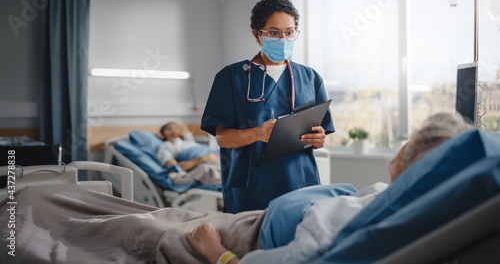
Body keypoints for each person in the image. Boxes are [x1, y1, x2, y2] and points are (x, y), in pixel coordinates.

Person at [187, 112, 473, 264]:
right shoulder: (406, 208)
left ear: (410, 157)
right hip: (256, 221)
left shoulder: (344, 224)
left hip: (246, 237)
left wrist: (215, 251)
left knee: (154, 226)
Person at [201, 0, 335, 214]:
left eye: (289, 32)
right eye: (274, 32)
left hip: (300, 184)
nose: (283, 39)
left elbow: (320, 134)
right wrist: (257, 133)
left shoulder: (311, 78)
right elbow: (223, 138)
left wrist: (318, 140)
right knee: (249, 245)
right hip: (253, 188)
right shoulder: (230, 78)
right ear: (257, 34)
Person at [157, 122, 221, 185]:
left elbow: (184, 127)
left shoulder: (187, 141)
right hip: (207, 160)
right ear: (167, 132)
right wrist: (203, 158)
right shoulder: (166, 146)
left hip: (216, 155)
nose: (180, 128)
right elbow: (175, 167)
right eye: (176, 127)